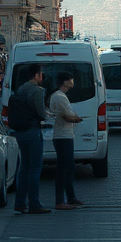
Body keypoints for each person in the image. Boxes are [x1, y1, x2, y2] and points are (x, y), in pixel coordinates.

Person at [11, 63, 51, 214]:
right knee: (35, 168)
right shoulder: (37, 91)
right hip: (33, 131)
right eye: (41, 74)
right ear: (36, 75)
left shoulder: (21, 88)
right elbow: (41, 113)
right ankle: (35, 203)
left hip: (20, 131)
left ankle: (20, 202)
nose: (42, 76)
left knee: (24, 168)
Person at [49, 72, 84, 210]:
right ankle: (60, 200)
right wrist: (78, 119)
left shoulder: (61, 96)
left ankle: (71, 197)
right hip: (62, 136)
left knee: (69, 168)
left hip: (66, 135)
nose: (73, 82)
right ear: (64, 82)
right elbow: (68, 116)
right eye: (70, 80)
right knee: (64, 168)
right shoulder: (59, 97)